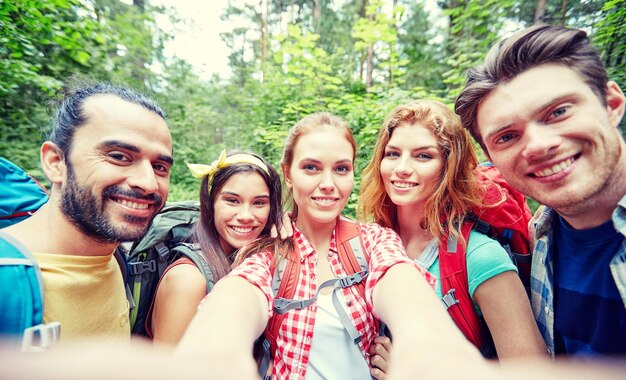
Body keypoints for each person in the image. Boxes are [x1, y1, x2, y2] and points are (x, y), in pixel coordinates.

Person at [177, 112, 485, 379]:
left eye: (341, 169)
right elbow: (239, 295)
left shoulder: (375, 240)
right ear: (288, 173)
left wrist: (428, 341)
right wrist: (215, 347)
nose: (328, 184)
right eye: (311, 168)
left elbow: (402, 285)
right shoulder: (268, 251)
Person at [455, 24, 626, 357]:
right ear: (492, 161)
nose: (537, 146)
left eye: (558, 112)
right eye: (506, 137)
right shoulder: (542, 236)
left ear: (612, 103)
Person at [359, 100, 546, 359]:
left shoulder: (480, 256)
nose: (401, 168)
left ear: (449, 168)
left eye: (423, 155)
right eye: (392, 154)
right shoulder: (369, 242)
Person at [1, 83, 173, 343]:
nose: (148, 183)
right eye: (119, 156)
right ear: (56, 162)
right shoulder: (7, 279)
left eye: (160, 167)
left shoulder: (115, 256)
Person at [149, 150, 282, 345]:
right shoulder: (188, 280)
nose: (246, 215)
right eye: (232, 201)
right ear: (210, 203)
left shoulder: (254, 259)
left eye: (259, 203)